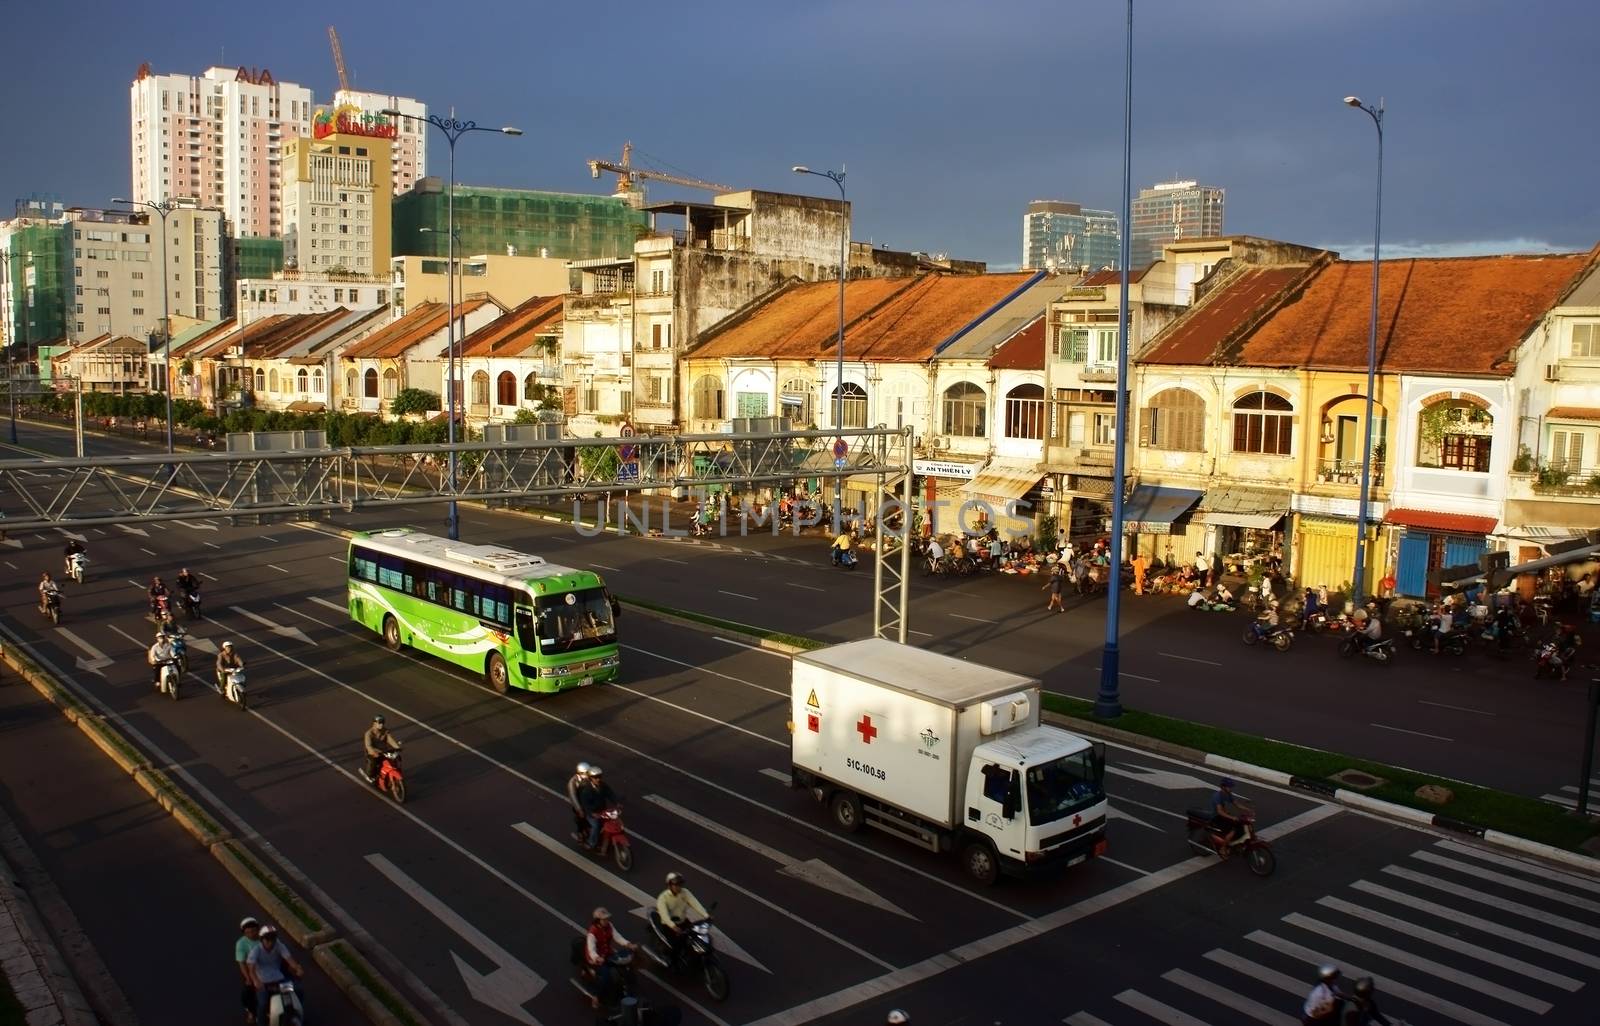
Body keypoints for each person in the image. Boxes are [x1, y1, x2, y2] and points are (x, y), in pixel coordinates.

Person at [246, 925, 304, 1026]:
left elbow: (290, 960)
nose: (270, 942)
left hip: (279, 980)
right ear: (262, 939)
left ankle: (296, 1016)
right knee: (262, 1004)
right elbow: (251, 969)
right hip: (263, 983)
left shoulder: (279, 945)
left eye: (273, 939)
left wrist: (298, 968)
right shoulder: (256, 950)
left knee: (298, 990)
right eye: (267, 939)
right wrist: (256, 981)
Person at [584, 907, 637, 1008]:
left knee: (625, 966)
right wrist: (597, 958)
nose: (607, 921)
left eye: (607, 919)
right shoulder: (592, 932)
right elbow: (591, 950)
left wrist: (628, 944)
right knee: (606, 976)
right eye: (604, 919)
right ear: (598, 920)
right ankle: (596, 997)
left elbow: (617, 937)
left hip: (608, 954)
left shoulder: (609, 926)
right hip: (597, 960)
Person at [654, 872, 709, 966]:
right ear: (669, 885)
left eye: (680, 884)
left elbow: (695, 903)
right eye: (676, 884)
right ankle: (673, 963)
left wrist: (706, 915)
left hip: (683, 922)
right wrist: (673, 927)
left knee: (697, 936)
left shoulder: (685, 892)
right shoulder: (662, 898)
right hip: (669, 926)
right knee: (677, 946)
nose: (679, 887)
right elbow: (664, 915)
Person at [583, 766, 619, 850]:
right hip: (592, 813)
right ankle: (591, 843)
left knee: (613, 822)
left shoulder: (602, 785)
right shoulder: (586, 790)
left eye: (599, 777)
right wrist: (592, 813)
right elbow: (585, 804)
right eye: (595, 777)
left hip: (603, 810)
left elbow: (610, 793)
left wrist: (617, 802)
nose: (598, 779)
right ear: (590, 778)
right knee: (596, 826)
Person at [235, 917, 262, 1024]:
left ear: (258, 929)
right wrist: (248, 978)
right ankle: (251, 1012)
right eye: (248, 932)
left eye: (253, 931)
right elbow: (241, 963)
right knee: (248, 992)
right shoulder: (241, 944)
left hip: (268, 969)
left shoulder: (265, 938)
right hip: (252, 972)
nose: (251, 934)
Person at [1208, 777, 1243, 855]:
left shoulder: (1228, 794)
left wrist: (1248, 810)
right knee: (1233, 830)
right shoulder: (1217, 796)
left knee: (1241, 825)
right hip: (1216, 818)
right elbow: (1220, 812)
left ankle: (1235, 844)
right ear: (1223, 787)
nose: (1231, 788)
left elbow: (1236, 804)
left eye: (1231, 787)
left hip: (1224, 816)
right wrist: (1232, 817)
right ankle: (1222, 848)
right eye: (1229, 787)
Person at [363, 715, 398, 784]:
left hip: (384, 751)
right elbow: (368, 746)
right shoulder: (369, 733)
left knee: (395, 759)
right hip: (373, 753)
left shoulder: (385, 731)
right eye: (379, 723)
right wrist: (373, 752)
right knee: (373, 762)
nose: (381, 725)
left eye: (382, 723)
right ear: (374, 723)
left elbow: (390, 739)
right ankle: (370, 776)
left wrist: (397, 747)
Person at [567, 761, 592, 839]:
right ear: (579, 773)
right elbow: (573, 797)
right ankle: (580, 833)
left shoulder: (589, 779)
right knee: (581, 819)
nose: (587, 775)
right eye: (585, 773)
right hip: (579, 804)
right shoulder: (572, 782)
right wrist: (579, 809)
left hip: (589, 803)